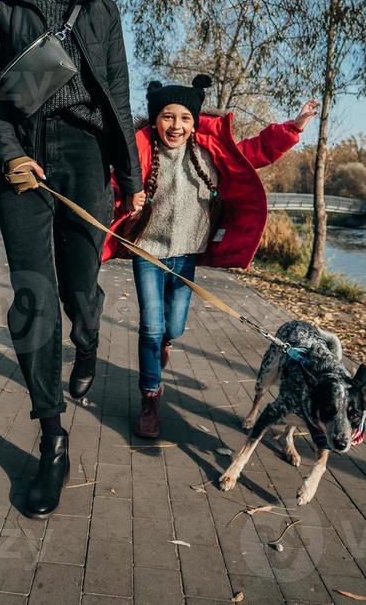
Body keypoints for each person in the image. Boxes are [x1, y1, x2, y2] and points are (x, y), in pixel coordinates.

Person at [0, 0, 144, 518]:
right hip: (22, 158)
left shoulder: (103, 12)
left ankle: (89, 340)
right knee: (33, 293)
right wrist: (10, 153)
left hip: (84, 156)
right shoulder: (3, 4)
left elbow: (118, 94)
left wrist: (131, 175)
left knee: (79, 286)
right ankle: (51, 432)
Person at [102, 74, 318, 439]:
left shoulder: (208, 152)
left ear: (195, 121)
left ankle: (165, 343)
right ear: (155, 119)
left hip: (186, 254)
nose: (176, 125)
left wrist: (293, 127)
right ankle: (150, 399)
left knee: (173, 328)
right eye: (168, 117)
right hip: (147, 252)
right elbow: (109, 182)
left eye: (185, 118)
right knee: (151, 327)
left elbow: (257, 150)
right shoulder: (138, 152)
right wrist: (127, 197)